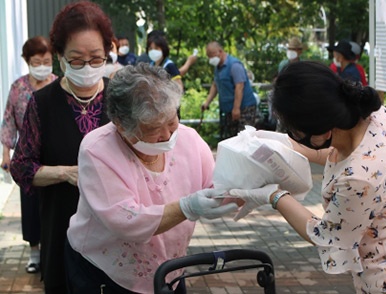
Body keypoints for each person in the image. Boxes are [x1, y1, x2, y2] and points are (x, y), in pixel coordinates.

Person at [228, 61, 386, 293]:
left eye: (293, 131)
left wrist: (273, 195)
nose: (291, 134)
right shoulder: (374, 117)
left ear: (321, 130)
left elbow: (325, 233)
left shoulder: (360, 177)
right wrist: (281, 146)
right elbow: (337, 154)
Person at [65, 63, 238, 294]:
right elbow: (126, 220)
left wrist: (245, 188)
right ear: (121, 125)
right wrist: (187, 207)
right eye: (153, 128)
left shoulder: (189, 140)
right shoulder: (97, 150)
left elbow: (216, 187)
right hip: (105, 269)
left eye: (171, 120)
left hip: (170, 268)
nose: (167, 135)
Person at [9, 2, 113, 293]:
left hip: (116, 236)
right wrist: (66, 173)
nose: (87, 68)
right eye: (77, 60)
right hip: (62, 230)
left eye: (96, 59)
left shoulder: (120, 99)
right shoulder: (42, 103)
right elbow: (22, 167)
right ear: (60, 58)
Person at [0, 36, 58, 275]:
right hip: (27, 155)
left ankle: (52, 251)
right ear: (27, 61)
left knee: (54, 204)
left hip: (55, 152)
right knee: (31, 203)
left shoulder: (58, 83)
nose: (42, 65)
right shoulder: (19, 87)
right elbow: (9, 119)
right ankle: (35, 252)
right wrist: (6, 152)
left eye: (46, 60)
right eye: (37, 61)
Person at [202, 41, 257, 140]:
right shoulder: (217, 68)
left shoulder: (234, 65)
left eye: (211, 55)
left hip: (244, 108)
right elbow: (215, 85)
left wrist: (236, 108)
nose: (210, 59)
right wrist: (207, 102)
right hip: (229, 109)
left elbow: (239, 87)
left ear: (220, 51)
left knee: (244, 139)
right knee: (232, 140)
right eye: (208, 56)